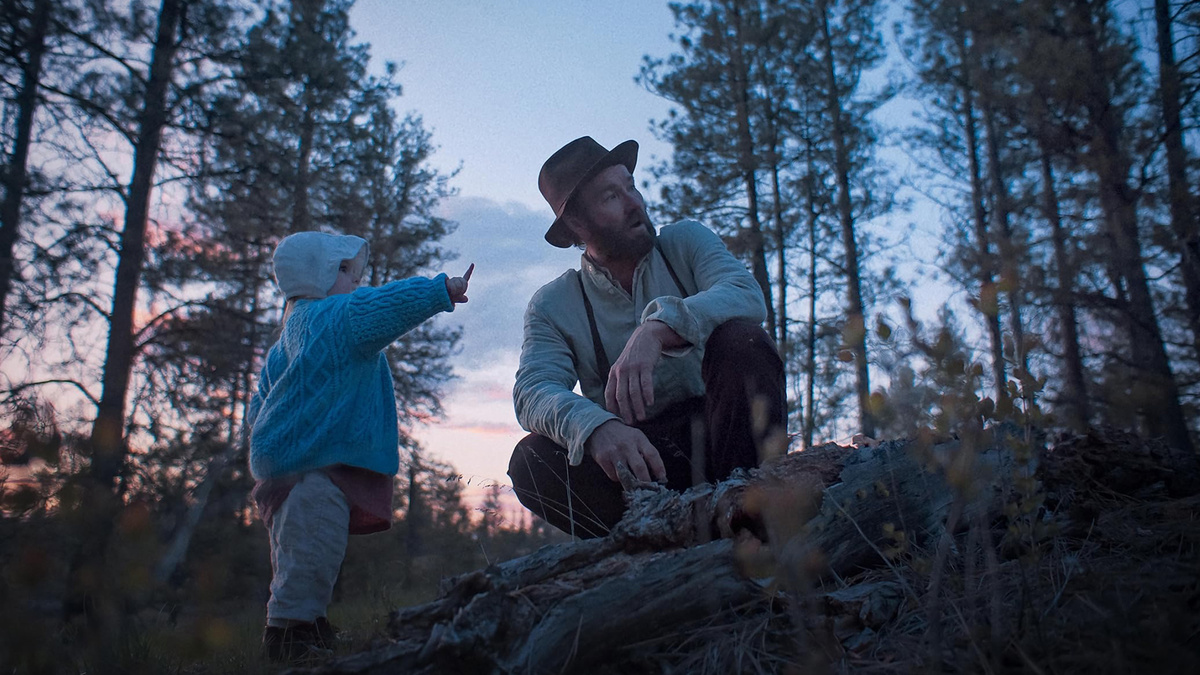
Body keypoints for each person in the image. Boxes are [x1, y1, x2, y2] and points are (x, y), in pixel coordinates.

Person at [509, 136, 787, 539]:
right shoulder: (553, 304)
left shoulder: (685, 242)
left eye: (631, 187)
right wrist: (594, 427)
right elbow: (533, 390)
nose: (635, 203)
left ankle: (751, 524)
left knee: (742, 341)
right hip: (639, 464)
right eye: (611, 197)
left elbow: (745, 294)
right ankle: (651, 545)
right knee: (532, 459)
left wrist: (657, 329)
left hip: (728, 437)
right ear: (577, 225)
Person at [246, 230, 472, 663]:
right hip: (316, 466)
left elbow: (260, 403)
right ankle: (290, 637)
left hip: (285, 468)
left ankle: (307, 623)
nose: (355, 281)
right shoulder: (338, 317)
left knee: (298, 552)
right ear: (315, 276)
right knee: (312, 550)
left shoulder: (286, 340)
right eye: (344, 270)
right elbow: (387, 304)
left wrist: (268, 442)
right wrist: (439, 289)